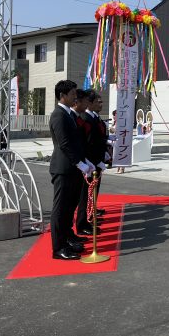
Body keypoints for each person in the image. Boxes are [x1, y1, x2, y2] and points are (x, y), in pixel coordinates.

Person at [48, 79, 92, 260]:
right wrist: (79, 163)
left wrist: (85, 161)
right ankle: (58, 248)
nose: (75, 97)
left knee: (68, 208)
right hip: (63, 168)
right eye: (72, 94)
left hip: (72, 168)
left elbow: (76, 143)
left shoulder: (68, 114)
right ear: (62, 95)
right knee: (60, 209)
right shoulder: (58, 115)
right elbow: (64, 144)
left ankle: (66, 239)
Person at [75, 89, 108, 234]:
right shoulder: (85, 118)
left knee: (92, 193)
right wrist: (90, 162)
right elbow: (87, 144)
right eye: (97, 102)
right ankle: (83, 222)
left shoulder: (94, 118)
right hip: (89, 162)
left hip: (96, 161)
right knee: (85, 195)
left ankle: (89, 217)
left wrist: (104, 153)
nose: (100, 104)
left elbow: (98, 140)